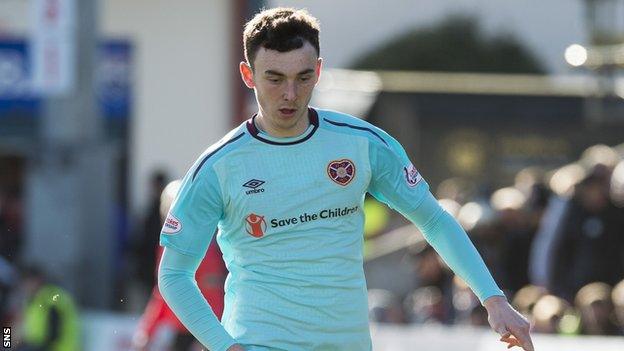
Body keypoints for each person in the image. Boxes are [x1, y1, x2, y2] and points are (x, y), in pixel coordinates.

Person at [158, 7, 533, 351]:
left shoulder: (361, 144)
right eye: (274, 79)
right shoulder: (219, 166)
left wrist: (493, 298)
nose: (289, 94)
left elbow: (433, 219)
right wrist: (225, 347)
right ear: (247, 74)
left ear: (318, 71)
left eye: (303, 78)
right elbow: (174, 274)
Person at [132, 180, 227, 350]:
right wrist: (147, 331)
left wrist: (210, 337)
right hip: (186, 328)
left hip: (201, 330)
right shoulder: (168, 247)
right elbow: (164, 291)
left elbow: (214, 292)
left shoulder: (203, 248)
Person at [17, 266, 79, 351]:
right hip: (40, 345)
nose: (24, 287)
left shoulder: (53, 297)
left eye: (27, 282)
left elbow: (53, 334)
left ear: (37, 280)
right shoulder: (34, 299)